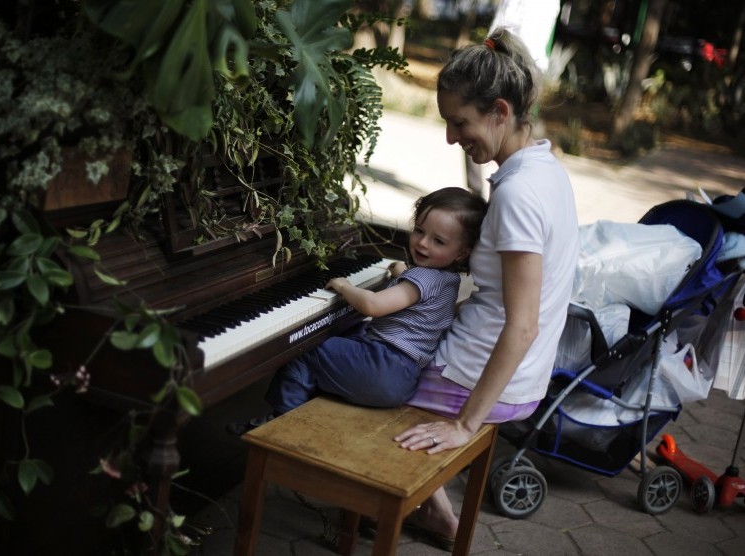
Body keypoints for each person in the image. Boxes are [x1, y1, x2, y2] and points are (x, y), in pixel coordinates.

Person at [391, 28, 580, 550]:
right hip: (521, 374)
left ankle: (417, 510)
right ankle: (434, 513)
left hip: (476, 376)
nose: (453, 138)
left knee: (367, 380)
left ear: (500, 110)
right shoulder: (546, 169)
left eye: (460, 123)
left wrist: (466, 424)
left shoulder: (518, 192)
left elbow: (522, 323)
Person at [228, 187, 488, 435]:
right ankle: (307, 405)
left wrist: (345, 287)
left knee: (303, 346)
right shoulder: (448, 281)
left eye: (438, 241)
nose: (422, 243)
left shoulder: (424, 277)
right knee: (347, 333)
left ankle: (279, 422)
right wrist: (401, 273)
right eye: (419, 230)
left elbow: (372, 305)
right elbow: (414, 294)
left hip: (382, 367)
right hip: (402, 378)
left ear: (461, 253)